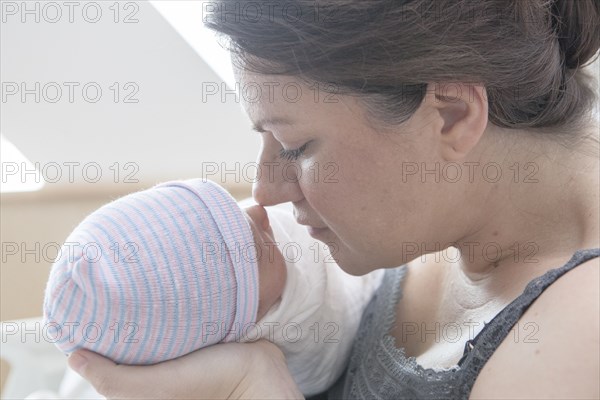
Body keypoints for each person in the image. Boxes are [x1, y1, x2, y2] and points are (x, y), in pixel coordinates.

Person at [67, 0, 600, 398]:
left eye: (296, 147)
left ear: (451, 114)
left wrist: (251, 387)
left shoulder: (575, 341)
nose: (264, 190)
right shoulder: (426, 223)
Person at [42, 179, 383, 396]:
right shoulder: (302, 319)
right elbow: (319, 365)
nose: (260, 213)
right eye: (259, 247)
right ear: (247, 323)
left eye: (235, 213)